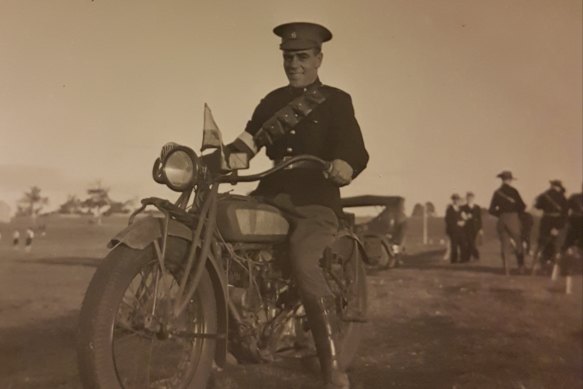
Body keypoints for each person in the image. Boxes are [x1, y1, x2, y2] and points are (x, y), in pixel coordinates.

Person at [221, 22, 369, 389]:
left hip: (315, 199)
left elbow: (355, 149)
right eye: (288, 57)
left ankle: (331, 362)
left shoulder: (336, 100)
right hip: (271, 194)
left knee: (305, 262)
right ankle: (223, 345)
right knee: (225, 249)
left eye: (302, 57)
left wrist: (345, 165)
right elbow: (247, 144)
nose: (294, 64)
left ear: (319, 58)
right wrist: (226, 159)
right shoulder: (271, 101)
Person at [488, 171, 527, 274]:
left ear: (502, 179)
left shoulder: (497, 192)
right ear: (510, 180)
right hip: (513, 218)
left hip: (501, 220)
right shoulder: (514, 191)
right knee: (518, 243)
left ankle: (506, 270)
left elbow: (491, 210)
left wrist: (501, 214)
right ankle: (521, 268)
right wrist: (515, 212)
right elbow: (522, 206)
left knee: (504, 245)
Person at [533, 180, 568, 272]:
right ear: (559, 187)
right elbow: (565, 214)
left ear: (552, 186)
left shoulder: (544, 195)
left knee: (541, 244)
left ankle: (535, 268)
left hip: (545, 222)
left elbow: (537, 206)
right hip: (557, 222)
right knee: (557, 246)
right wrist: (557, 227)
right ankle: (555, 270)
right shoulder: (563, 197)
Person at [558, 188, 582, 294]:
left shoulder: (574, 197)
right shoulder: (574, 197)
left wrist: (566, 221)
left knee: (566, 249)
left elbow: (565, 210)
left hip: (573, 225)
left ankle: (562, 274)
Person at [445, 194, 470, 263]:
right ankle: (454, 260)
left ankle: (463, 259)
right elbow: (448, 220)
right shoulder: (449, 209)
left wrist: (464, 221)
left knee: (463, 244)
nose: (456, 201)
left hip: (461, 230)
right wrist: (457, 223)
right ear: (453, 200)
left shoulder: (461, 209)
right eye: (455, 199)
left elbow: (465, 217)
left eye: (457, 199)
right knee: (454, 245)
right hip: (453, 231)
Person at [462, 192, 482, 260]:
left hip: (475, 227)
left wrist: (481, 228)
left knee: (471, 241)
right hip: (466, 227)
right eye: (468, 198)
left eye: (471, 198)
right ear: (466, 198)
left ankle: (467, 257)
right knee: (470, 241)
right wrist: (466, 217)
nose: (469, 199)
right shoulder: (463, 207)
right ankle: (476, 255)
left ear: (473, 198)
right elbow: (461, 216)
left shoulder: (477, 207)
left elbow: (479, 218)